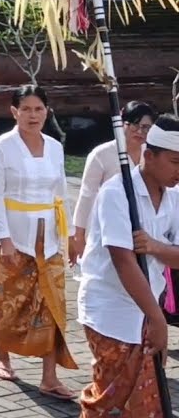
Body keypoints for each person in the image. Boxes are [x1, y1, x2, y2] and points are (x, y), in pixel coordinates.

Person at [77, 113, 179, 417]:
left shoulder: (174, 196)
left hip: (148, 309)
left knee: (147, 403)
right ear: (149, 155)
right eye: (175, 162)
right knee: (110, 401)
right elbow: (124, 261)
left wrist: (156, 246)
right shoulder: (116, 193)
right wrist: (157, 320)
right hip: (111, 312)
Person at [0, 84, 78, 398]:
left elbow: (61, 192)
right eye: (26, 109)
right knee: (8, 300)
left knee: (53, 304)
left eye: (38, 109)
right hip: (14, 235)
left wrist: (70, 235)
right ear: (14, 112)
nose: (32, 115)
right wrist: (4, 239)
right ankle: (2, 356)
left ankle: (49, 376)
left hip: (49, 236)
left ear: (47, 112)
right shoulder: (2, 147)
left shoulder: (54, 147)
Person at [72, 101, 157, 263]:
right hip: (108, 225)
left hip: (144, 228)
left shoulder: (151, 155)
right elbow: (87, 196)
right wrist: (79, 234)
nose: (140, 132)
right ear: (122, 123)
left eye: (146, 127)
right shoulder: (101, 154)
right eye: (134, 125)